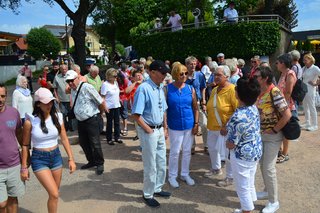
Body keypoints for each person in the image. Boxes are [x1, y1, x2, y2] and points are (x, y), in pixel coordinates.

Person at [20, 87, 76, 213]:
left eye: (51, 101)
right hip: (39, 159)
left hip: (56, 156)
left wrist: (71, 159)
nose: (49, 105)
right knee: (55, 193)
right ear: (38, 104)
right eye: (46, 102)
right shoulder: (31, 121)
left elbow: (64, 138)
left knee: (54, 194)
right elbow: (25, 145)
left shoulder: (58, 117)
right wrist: (24, 167)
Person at [131, 60, 171, 208]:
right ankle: (148, 193)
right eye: (162, 73)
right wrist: (149, 130)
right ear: (152, 72)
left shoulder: (160, 87)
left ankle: (157, 188)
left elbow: (164, 109)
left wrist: (165, 128)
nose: (165, 75)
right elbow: (136, 114)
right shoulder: (144, 88)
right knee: (150, 164)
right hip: (150, 131)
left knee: (161, 161)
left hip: (159, 129)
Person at [254, 66, 291, 213]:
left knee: (268, 168)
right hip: (261, 134)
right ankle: (266, 190)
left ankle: (274, 201)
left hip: (273, 136)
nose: (255, 78)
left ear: (265, 79)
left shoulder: (274, 92)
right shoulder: (261, 91)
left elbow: (287, 115)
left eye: (257, 76)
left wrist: (275, 129)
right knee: (263, 165)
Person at [226, 77, 262, 213]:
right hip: (255, 150)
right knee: (249, 181)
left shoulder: (238, 116)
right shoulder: (253, 108)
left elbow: (231, 143)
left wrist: (227, 142)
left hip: (242, 155)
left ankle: (247, 210)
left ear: (238, 94)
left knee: (242, 187)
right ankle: (250, 204)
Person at [65, 70, 107, 175]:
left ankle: (99, 163)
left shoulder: (87, 87)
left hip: (92, 119)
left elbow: (100, 101)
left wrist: (100, 114)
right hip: (81, 121)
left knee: (95, 143)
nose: (70, 83)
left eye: (71, 80)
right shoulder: (73, 89)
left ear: (77, 78)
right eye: (68, 81)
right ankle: (91, 161)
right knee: (84, 143)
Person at [166, 62, 199, 188]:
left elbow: (195, 108)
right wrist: (165, 126)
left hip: (189, 124)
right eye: (181, 73)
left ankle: (185, 174)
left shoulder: (191, 89)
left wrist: (196, 123)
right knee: (175, 151)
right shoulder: (167, 89)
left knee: (187, 151)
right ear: (175, 74)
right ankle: (172, 176)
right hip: (174, 125)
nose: (184, 75)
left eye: (186, 73)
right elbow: (164, 109)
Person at [205, 65, 238, 189]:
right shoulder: (214, 89)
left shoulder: (232, 90)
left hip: (225, 129)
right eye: (215, 74)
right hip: (212, 126)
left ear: (227, 76)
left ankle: (230, 177)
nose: (216, 77)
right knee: (212, 148)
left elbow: (237, 111)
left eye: (219, 75)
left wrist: (227, 125)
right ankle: (216, 168)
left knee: (228, 154)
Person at [0, 84, 25, 213]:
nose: (0, 99)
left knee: (13, 198)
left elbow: (19, 134)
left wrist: (26, 158)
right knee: (2, 203)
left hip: (14, 164)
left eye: (2, 96)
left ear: (6, 97)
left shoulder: (13, 113)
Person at [275, 53, 297, 163]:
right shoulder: (283, 73)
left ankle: (285, 154)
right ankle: (280, 151)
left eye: (277, 63)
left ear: (283, 63)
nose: (276, 65)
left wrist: (283, 108)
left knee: (286, 131)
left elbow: (288, 93)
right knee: (281, 130)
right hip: (281, 107)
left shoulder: (290, 74)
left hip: (286, 107)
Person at [185, 56, 207, 153]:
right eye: (191, 64)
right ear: (186, 65)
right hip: (187, 103)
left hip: (198, 102)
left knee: (204, 124)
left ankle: (206, 145)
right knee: (190, 124)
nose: (193, 66)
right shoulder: (183, 76)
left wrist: (204, 101)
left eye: (194, 64)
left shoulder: (200, 75)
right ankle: (192, 146)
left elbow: (203, 87)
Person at [101, 68, 122, 145]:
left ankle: (117, 137)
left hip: (117, 105)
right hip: (109, 106)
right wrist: (105, 107)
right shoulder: (105, 84)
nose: (116, 77)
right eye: (114, 76)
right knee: (109, 123)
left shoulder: (115, 83)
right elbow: (102, 97)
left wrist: (119, 99)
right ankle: (109, 138)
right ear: (109, 76)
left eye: (116, 76)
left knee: (117, 122)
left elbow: (117, 93)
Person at [300, 53, 320, 131]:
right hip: (304, 90)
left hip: (311, 90)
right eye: (304, 60)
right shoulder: (304, 68)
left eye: (306, 60)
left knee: (312, 107)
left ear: (311, 60)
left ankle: (315, 125)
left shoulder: (315, 68)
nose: (304, 61)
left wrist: (316, 83)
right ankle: (307, 122)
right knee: (305, 106)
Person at [53, 64, 72, 131]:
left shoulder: (70, 76)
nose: (64, 70)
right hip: (61, 99)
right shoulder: (57, 77)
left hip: (70, 99)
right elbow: (55, 88)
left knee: (70, 114)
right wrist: (56, 97)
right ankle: (65, 127)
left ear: (67, 69)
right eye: (62, 69)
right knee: (63, 114)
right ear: (60, 70)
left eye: (65, 69)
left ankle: (71, 127)